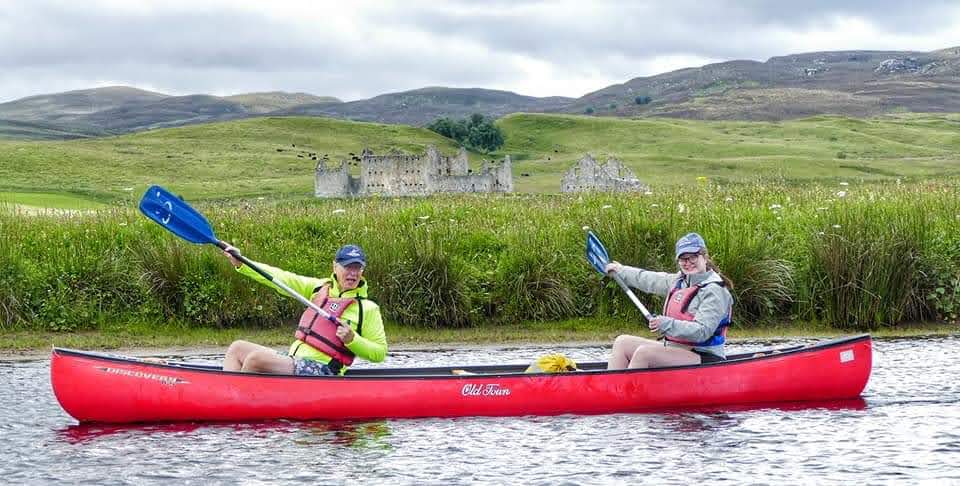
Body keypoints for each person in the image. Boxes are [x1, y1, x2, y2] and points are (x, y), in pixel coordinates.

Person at [221, 244, 387, 376]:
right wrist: (242, 262)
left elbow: (379, 353)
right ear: (335, 267)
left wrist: (353, 340)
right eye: (347, 267)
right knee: (237, 348)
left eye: (357, 268)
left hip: (324, 370)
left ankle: (240, 403)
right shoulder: (318, 288)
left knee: (256, 360)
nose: (352, 273)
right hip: (295, 359)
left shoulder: (368, 308)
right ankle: (228, 396)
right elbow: (280, 277)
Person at [605, 232, 734, 369]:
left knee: (644, 353)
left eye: (693, 257)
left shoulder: (715, 291)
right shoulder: (679, 281)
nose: (688, 263)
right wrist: (621, 271)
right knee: (622, 342)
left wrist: (665, 323)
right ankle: (611, 388)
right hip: (676, 349)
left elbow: (701, 332)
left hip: (705, 357)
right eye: (683, 259)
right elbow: (649, 279)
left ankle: (627, 389)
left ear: (705, 257)